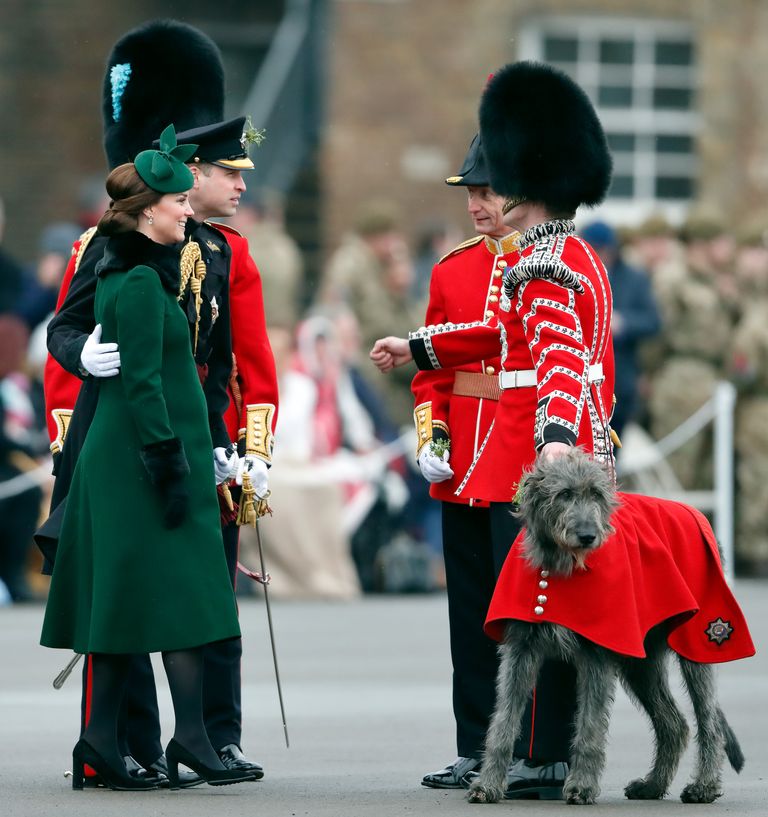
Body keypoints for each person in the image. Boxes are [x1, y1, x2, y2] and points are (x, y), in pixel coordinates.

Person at [39, 20, 276, 785]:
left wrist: (242, 444)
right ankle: (128, 743)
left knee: (198, 596)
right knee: (127, 597)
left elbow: (231, 360)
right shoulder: (105, 251)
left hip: (190, 434)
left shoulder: (219, 249)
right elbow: (69, 331)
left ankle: (204, 736)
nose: (234, 186)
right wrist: (85, 364)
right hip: (127, 439)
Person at [371, 61, 615, 798]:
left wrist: (554, 441)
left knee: (537, 612)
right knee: (529, 609)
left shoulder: (545, 265)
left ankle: (541, 752)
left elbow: (560, 363)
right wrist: (419, 348)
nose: (488, 198)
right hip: (527, 450)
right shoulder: (571, 255)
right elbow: (496, 334)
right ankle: (531, 750)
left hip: (536, 457)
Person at [387, 132, 522, 788]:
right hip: (466, 455)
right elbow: (429, 373)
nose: (477, 204)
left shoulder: (548, 260)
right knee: (468, 611)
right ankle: (475, 743)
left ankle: (526, 745)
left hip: (521, 455)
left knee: (523, 609)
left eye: (488, 191)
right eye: (471, 192)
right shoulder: (452, 268)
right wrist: (432, 436)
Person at [580, 220, 660, 440]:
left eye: (604, 250)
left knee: (614, 450)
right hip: (581, 379)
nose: (600, 256)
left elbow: (653, 321)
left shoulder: (635, 278)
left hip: (621, 379)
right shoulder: (573, 273)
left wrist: (623, 322)